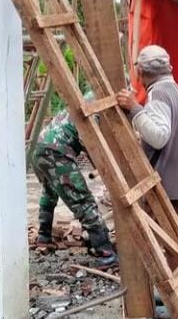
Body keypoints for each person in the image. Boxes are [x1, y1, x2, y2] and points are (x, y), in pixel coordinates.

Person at [116, 45, 178, 314]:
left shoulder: (159, 92)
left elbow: (159, 135)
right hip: (177, 180)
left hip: (165, 183)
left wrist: (136, 110)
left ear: (142, 72)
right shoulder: (174, 91)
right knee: (175, 249)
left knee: (169, 251)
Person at [31, 92, 117, 267]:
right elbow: (89, 142)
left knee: (49, 193)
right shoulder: (97, 105)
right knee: (83, 200)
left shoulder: (86, 98)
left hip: (41, 148)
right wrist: (103, 168)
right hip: (57, 152)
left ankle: (44, 237)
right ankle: (104, 250)